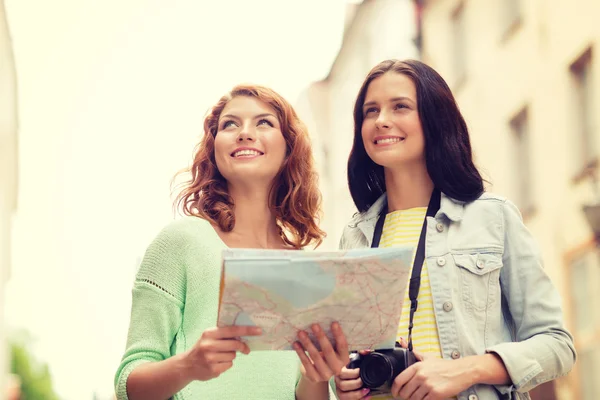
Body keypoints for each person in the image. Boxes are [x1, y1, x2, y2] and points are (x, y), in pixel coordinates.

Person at [319, 59, 576, 400]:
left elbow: (557, 346)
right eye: (370, 111)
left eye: (400, 107)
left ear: (434, 118)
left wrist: (465, 369)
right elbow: (354, 357)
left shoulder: (492, 217)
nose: (382, 121)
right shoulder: (354, 237)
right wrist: (347, 382)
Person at [114, 84, 332, 399]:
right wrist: (188, 366)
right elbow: (126, 386)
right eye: (230, 124)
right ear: (215, 147)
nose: (244, 133)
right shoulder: (181, 242)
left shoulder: (305, 269)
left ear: (289, 148)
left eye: (264, 123)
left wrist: (318, 375)